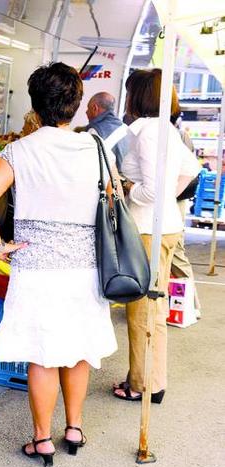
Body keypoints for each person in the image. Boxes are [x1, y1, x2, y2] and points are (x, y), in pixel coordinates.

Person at [0, 62, 118, 467]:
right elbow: (112, 195)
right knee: (78, 350)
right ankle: (74, 427)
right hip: (85, 269)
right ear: (76, 103)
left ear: (36, 106)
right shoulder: (97, 148)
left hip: (36, 269)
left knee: (44, 355)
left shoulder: (20, 150)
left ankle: (42, 439)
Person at [112, 69, 200, 403]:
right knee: (153, 310)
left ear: (139, 97)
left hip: (148, 231)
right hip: (162, 227)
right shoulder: (166, 130)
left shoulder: (147, 133)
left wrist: (128, 187)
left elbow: (151, 190)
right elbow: (190, 169)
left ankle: (142, 384)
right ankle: (152, 379)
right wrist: (165, 200)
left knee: (141, 313)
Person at [170, 114, 202, 317]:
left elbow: (189, 168)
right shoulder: (181, 135)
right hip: (176, 199)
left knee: (176, 251)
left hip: (174, 199)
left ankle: (191, 304)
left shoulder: (177, 136)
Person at [85, 92, 130, 167]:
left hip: (108, 178)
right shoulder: (125, 128)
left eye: (88, 108)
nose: (86, 112)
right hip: (125, 177)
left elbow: (88, 164)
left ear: (94, 108)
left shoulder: (95, 131)